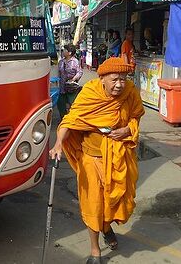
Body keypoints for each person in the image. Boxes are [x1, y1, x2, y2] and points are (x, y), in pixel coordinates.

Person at [49, 57, 145, 264]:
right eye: (114, 80)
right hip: (90, 159)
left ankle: (107, 227)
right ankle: (95, 251)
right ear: (102, 78)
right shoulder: (90, 93)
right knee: (93, 204)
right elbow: (71, 119)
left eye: (123, 79)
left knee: (114, 201)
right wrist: (58, 144)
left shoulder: (130, 93)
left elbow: (136, 117)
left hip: (118, 157)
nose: (119, 85)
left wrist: (127, 129)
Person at [57, 44, 83, 117]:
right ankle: (64, 119)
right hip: (62, 87)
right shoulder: (61, 62)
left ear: (70, 53)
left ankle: (74, 119)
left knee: (73, 104)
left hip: (71, 87)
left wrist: (74, 78)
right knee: (60, 104)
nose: (63, 52)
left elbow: (80, 72)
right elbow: (59, 73)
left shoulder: (75, 61)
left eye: (65, 50)